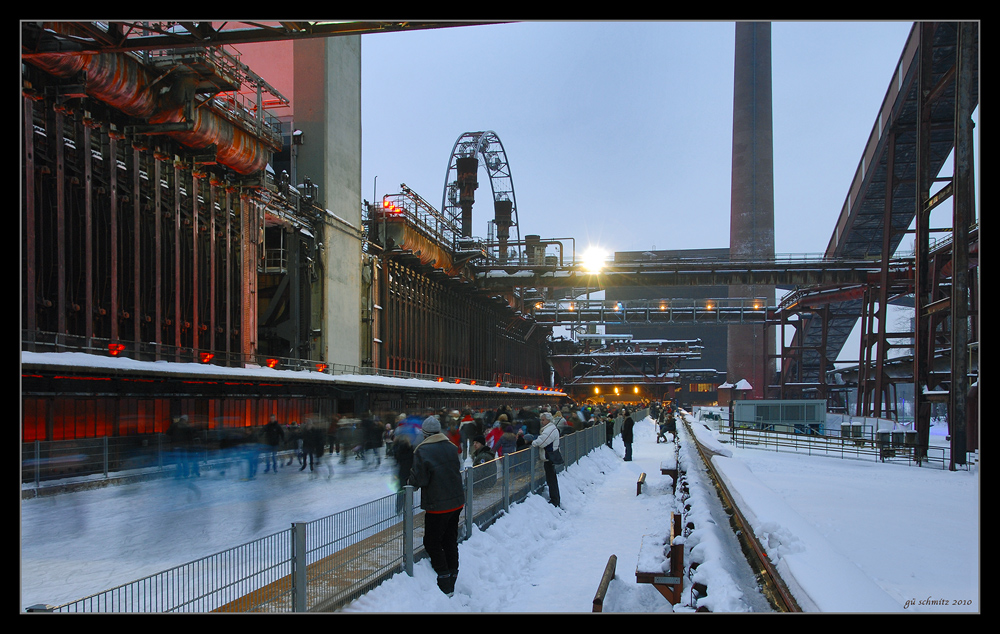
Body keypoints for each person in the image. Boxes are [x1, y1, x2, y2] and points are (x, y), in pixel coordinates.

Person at [408, 415, 465, 596]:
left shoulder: (422, 451)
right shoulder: (451, 447)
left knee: (432, 542)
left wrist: (410, 482)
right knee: (449, 539)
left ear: (424, 434)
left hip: (437, 505)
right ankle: (453, 574)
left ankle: (444, 577)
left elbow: (420, 479)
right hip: (456, 501)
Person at [531, 412, 561, 508]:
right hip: (550, 456)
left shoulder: (550, 429)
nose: (541, 422)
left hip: (549, 456)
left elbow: (543, 441)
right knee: (551, 478)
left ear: (548, 420)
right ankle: (555, 498)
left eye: (543, 420)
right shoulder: (550, 429)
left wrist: (533, 443)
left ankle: (555, 500)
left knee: (551, 479)